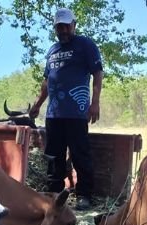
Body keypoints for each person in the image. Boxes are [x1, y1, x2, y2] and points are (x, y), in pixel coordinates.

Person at [29, 7, 103, 211]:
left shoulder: (85, 45)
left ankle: (84, 195)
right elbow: (47, 81)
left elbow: (97, 74)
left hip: (77, 113)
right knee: (53, 156)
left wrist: (95, 102)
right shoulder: (52, 50)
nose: (63, 30)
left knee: (80, 154)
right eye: (59, 26)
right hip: (54, 115)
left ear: (74, 25)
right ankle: (54, 194)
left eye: (66, 26)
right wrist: (37, 105)